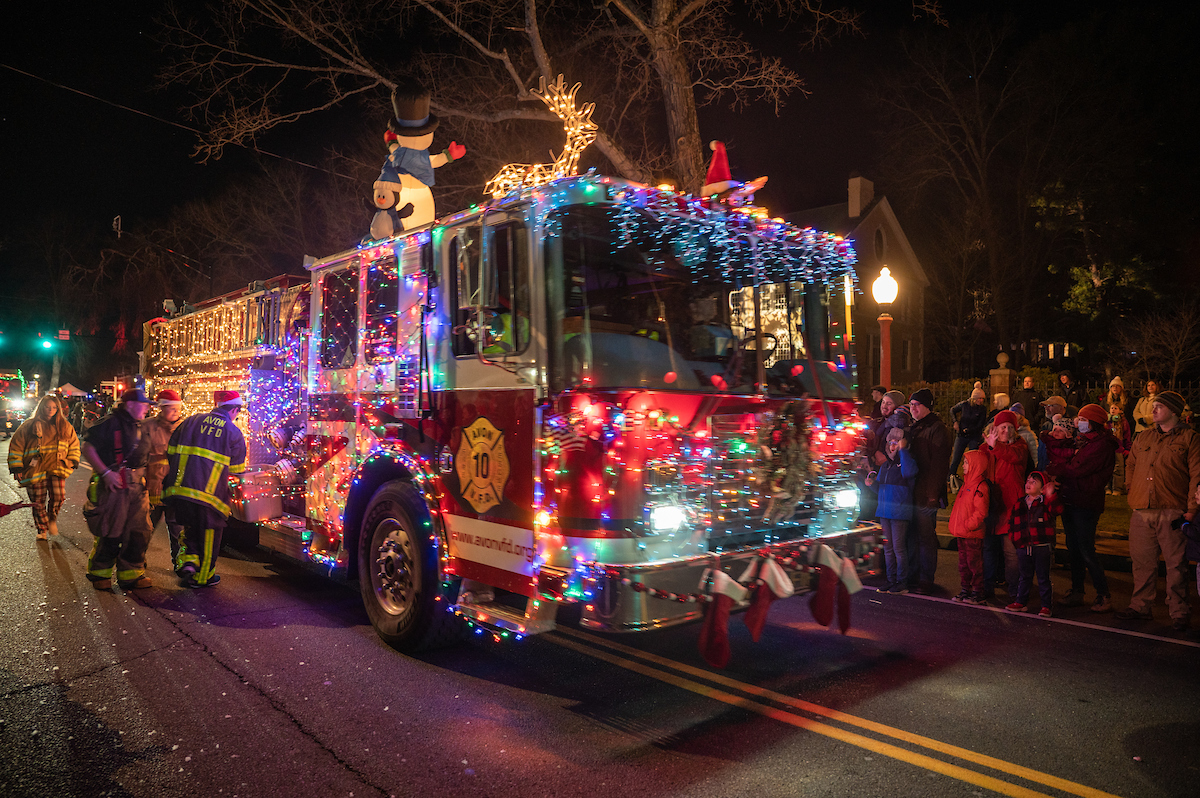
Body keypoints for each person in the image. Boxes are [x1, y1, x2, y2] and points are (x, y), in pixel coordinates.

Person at [1118, 390, 1200, 630]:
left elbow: (1196, 474)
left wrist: (1191, 510)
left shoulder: (1190, 439)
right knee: (1142, 562)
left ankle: (1179, 611)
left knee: (1176, 565)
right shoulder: (1143, 438)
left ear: (1173, 411)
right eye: (1153, 406)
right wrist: (1132, 489)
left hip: (1172, 509)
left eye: (1159, 406)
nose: (1153, 410)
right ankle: (1140, 605)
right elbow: (1131, 463)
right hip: (1142, 509)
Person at [163, 390, 248, 589]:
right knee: (210, 536)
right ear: (234, 409)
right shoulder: (233, 432)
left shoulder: (191, 421)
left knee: (190, 529)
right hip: (211, 498)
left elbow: (171, 451)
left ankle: (189, 564)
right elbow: (236, 473)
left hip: (181, 492)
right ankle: (203, 578)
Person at [1042, 403, 1116, 613]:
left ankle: (1103, 594)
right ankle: (1077, 590)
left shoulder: (1101, 444)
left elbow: (1076, 468)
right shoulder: (1083, 441)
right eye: (1079, 419)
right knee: (1074, 548)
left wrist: (1054, 469)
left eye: (1084, 420)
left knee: (1085, 549)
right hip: (1071, 498)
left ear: (1094, 423)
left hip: (1086, 501)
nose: (1079, 423)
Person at [81, 388, 154, 590]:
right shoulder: (109, 422)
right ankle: (100, 574)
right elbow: (87, 447)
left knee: (139, 531)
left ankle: (132, 574)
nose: (147, 408)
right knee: (111, 530)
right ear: (130, 405)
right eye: (144, 404)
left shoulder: (139, 424)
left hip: (137, 486)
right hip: (115, 484)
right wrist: (105, 473)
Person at [6, 395, 81, 540]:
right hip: (35, 470)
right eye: (47, 407)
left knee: (58, 497)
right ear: (41, 407)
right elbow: (16, 446)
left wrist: (71, 461)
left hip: (57, 468)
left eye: (54, 407)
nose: (50, 410)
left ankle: (51, 519)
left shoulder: (65, 426)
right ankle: (42, 529)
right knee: (37, 501)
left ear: (58, 409)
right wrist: (17, 468)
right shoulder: (28, 426)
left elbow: (74, 445)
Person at [906, 388, 951, 594]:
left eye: (917, 405)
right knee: (913, 534)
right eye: (911, 405)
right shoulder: (916, 428)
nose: (913, 408)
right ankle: (913, 574)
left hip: (926, 493)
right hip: (913, 490)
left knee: (926, 536)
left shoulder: (937, 429)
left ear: (927, 406)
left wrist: (933, 495)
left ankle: (926, 578)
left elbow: (939, 466)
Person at [979, 410, 1026, 598]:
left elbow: (1013, 457)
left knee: (1011, 552)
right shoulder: (986, 447)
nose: (1006, 430)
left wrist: (995, 446)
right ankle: (987, 587)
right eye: (1002, 427)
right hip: (991, 504)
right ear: (995, 428)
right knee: (989, 549)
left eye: (1010, 427)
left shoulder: (1020, 445)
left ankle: (1015, 590)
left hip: (1011, 505)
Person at [867, 428, 918, 593]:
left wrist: (903, 451)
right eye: (890, 442)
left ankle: (902, 582)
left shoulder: (906, 461)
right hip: (885, 512)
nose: (892, 445)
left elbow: (909, 472)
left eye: (896, 442)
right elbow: (881, 490)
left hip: (899, 512)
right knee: (889, 548)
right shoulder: (886, 466)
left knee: (898, 548)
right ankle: (891, 580)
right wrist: (871, 484)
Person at [1006, 472, 1063, 616]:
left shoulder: (1045, 502)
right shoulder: (1020, 503)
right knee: (1024, 575)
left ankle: (1046, 605)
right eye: (1028, 480)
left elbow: (1057, 510)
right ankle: (1021, 601)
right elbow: (1012, 522)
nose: (1029, 484)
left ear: (1042, 488)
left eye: (1034, 482)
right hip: (1024, 546)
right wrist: (1015, 539)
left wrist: (1051, 495)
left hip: (1041, 546)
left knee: (1043, 576)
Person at [145, 389, 186, 567]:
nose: (176, 412)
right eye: (171, 408)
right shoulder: (148, 427)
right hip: (153, 487)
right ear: (161, 408)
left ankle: (180, 563)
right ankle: (135, 563)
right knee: (145, 528)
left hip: (175, 489)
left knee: (178, 530)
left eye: (178, 408)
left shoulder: (185, 428)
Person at [949, 450, 990, 604]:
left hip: (972, 533)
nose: (963, 465)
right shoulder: (967, 484)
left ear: (975, 465)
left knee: (974, 564)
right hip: (964, 532)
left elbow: (980, 512)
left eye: (966, 462)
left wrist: (968, 525)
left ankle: (978, 591)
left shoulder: (979, 486)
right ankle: (966, 589)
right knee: (963, 564)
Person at [948, 383, 987, 483]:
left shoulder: (982, 409)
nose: (981, 400)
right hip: (961, 435)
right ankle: (950, 480)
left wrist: (969, 430)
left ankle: (972, 479)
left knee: (972, 459)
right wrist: (955, 422)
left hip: (974, 436)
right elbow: (952, 410)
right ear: (974, 398)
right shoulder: (964, 405)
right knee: (955, 459)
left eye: (982, 399)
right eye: (979, 398)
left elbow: (980, 424)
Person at [1107, 401, 1133, 495]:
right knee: (1107, 468)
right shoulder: (1106, 422)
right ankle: (1107, 488)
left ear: (1120, 411)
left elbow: (1127, 436)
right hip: (1107, 449)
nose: (1113, 410)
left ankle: (1117, 488)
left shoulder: (1123, 422)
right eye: (1112, 408)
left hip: (1119, 449)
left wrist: (1127, 449)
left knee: (1118, 469)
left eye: (1115, 408)